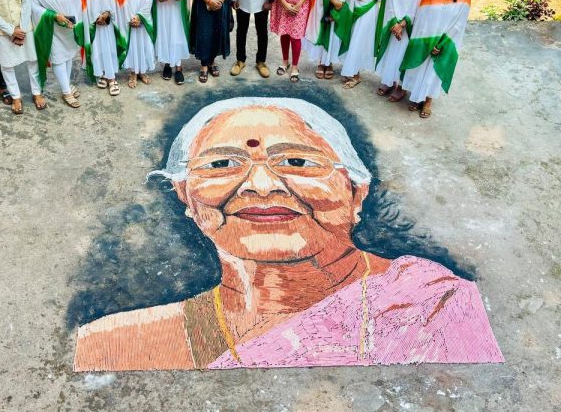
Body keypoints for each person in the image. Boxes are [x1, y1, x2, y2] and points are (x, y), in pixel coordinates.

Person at [73, 98, 504, 370]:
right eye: (221, 165)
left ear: (356, 192)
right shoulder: (115, 343)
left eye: (297, 162)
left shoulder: (433, 303)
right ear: (185, 195)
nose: (261, 186)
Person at [400, 0, 471, 118]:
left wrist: (441, 44)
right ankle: (418, 98)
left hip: (446, 43)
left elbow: (458, 25)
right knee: (421, 69)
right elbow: (422, 17)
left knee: (433, 72)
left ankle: (428, 101)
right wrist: (425, 40)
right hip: (426, 40)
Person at [30, 0, 84, 108]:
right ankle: (66, 91)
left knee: (67, 56)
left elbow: (77, 1)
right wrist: (53, 16)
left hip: (68, 27)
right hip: (50, 28)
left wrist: (74, 22)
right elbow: (33, 7)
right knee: (58, 58)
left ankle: (66, 85)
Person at [375, 0, 430, 102]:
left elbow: (420, 4)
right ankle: (389, 81)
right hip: (393, 22)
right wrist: (394, 22)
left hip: (409, 26)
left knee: (403, 54)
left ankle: (400, 86)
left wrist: (403, 24)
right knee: (392, 52)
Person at [76, 0, 122, 97]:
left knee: (108, 46)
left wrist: (107, 13)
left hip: (107, 17)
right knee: (96, 47)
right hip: (91, 19)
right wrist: (92, 17)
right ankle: (100, 72)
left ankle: (112, 78)